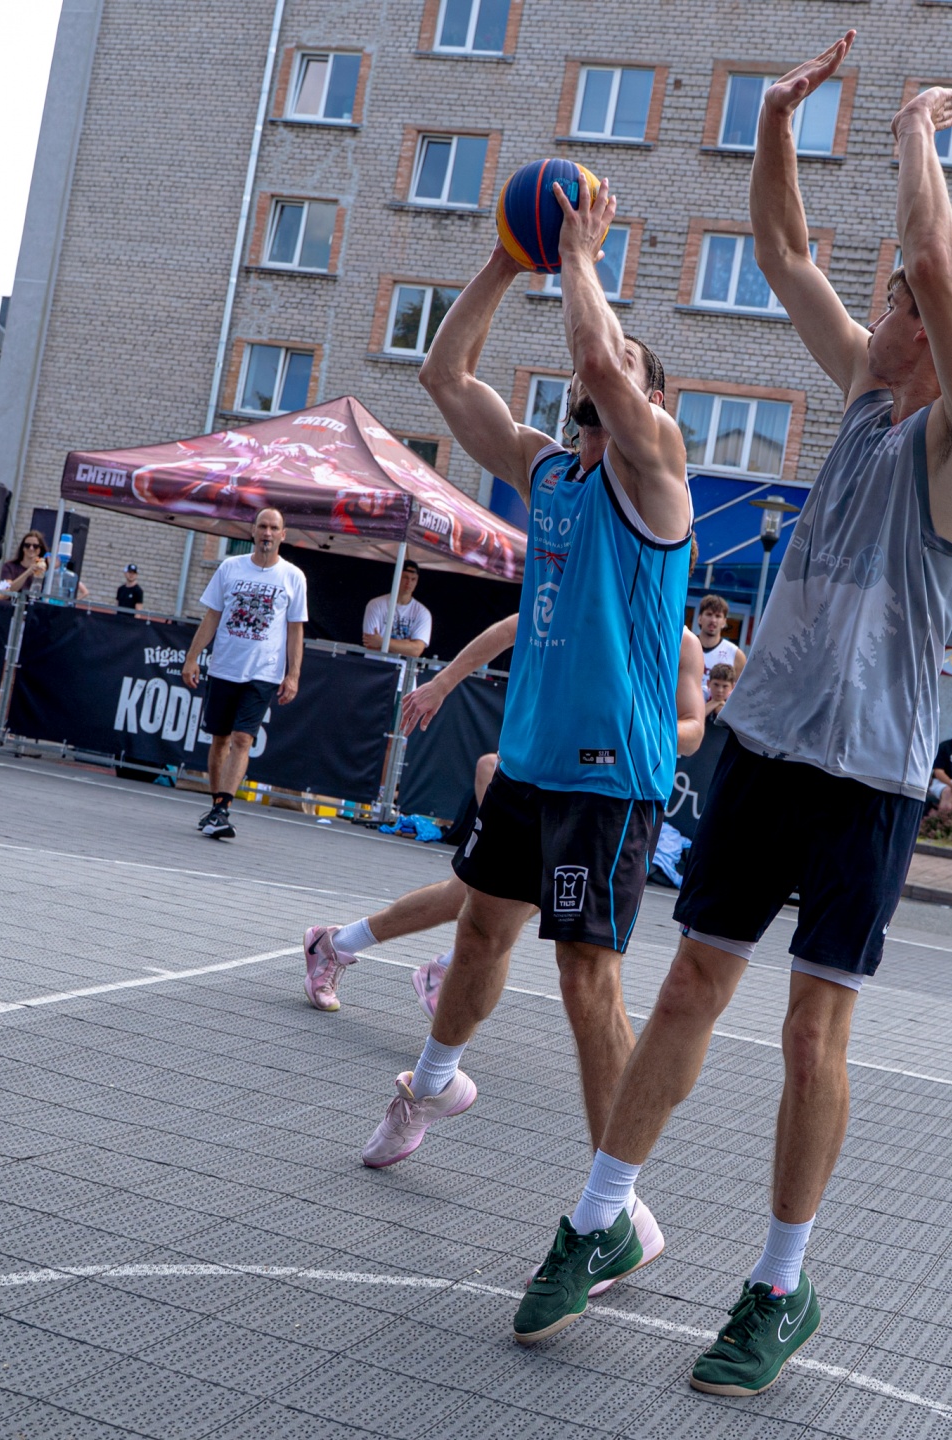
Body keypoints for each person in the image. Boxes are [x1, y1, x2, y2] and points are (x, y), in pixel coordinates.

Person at [513, 40, 952, 1393]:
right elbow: (782, 248)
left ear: (936, 328)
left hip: (868, 779)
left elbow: (936, 267)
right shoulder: (865, 398)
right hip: (767, 747)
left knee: (810, 1034)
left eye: (896, 299)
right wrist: (775, 121)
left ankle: (778, 1288)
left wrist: (913, 131)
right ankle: (594, 1218)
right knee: (690, 981)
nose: (878, 309)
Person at [353, 165, 692, 1295]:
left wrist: (581, 255)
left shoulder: (657, 480)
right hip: (534, 764)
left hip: (611, 776)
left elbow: (600, 358)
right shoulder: (549, 473)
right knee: (481, 933)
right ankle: (431, 1082)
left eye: (627, 369)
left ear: (652, 403)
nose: (603, 370)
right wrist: (507, 258)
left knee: (587, 980)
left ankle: (618, 1207)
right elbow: (442, 376)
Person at [302, 617, 708, 1013]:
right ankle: (408, 966)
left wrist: (638, 735)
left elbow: (693, 732)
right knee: (483, 896)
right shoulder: (593, 604)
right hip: (541, 779)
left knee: (490, 898)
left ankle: (352, 947)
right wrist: (442, 683)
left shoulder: (682, 643)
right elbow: (508, 629)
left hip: (606, 796)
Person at [181, 509, 307, 840]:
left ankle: (223, 808)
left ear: (283, 535)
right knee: (220, 739)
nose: (267, 532)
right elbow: (212, 615)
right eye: (262, 526)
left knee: (242, 738)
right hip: (225, 666)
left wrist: (293, 674)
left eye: (274, 528)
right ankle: (215, 807)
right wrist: (192, 658)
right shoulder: (230, 568)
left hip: (262, 672)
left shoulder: (293, 576)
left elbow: (296, 630)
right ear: (252, 531)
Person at [362, 559, 431, 657]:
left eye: (413, 579)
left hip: (402, 666)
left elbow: (416, 651)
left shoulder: (422, 613)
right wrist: (405, 645)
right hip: (374, 664)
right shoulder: (375, 604)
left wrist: (381, 641)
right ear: (397, 577)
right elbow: (371, 643)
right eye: (405, 577)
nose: (409, 582)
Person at [694, 594, 745, 697]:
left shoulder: (736, 655)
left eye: (718, 616)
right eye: (709, 614)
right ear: (699, 618)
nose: (713, 620)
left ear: (724, 622)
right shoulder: (684, 646)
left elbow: (743, 692)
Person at [0, 530, 48, 598]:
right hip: (11, 603)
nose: (31, 548)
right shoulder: (9, 566)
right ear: (23, 548)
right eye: (27, 545)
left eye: (35, 546)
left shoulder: (44, 569)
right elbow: (7, 590)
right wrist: (28, 572)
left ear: (40, 549)